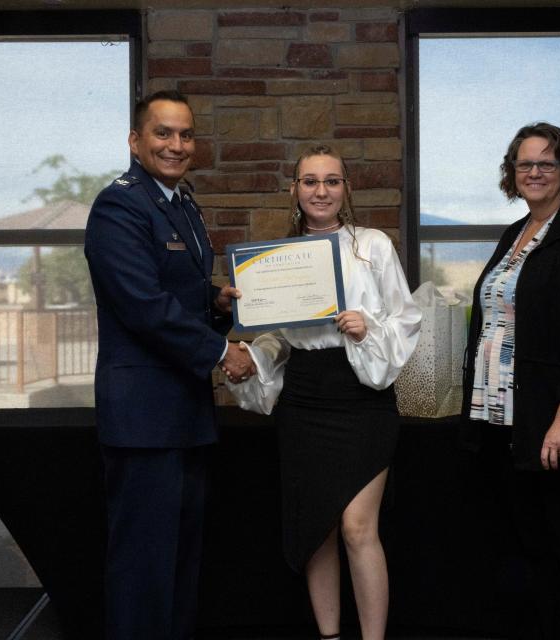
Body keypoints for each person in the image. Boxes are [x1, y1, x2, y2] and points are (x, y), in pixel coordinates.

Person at [226, 145, 421, 640]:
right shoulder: (276, 260)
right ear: (295, 190)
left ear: (345, 189)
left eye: (331, 181)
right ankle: (330, 637)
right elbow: (277, 338)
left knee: (358, 526)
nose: (321, 190)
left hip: (362, 397)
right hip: (305, 399)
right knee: (319, 530)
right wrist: (252, 357)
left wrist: (367, 326)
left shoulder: (372, 245)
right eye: (310, 181)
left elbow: (406, 318)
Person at [84, 89, 254, 639]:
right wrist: (220, 350)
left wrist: (217, 305)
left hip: (183, 414)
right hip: (144, 420)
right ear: (135, 140)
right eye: (163, 133)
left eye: (185, 135)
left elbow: (176, 297)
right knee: (143, 570)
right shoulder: (120, 205)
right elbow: (141, 304)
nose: (176, 145)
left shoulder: (182, 204)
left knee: (179, 566)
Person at [459, 122, 560, 640]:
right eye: (524, 164)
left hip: (551, 423)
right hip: (505, 419)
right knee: (528, 549)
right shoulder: (517, 232)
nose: (534, 173)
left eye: (546, 164)